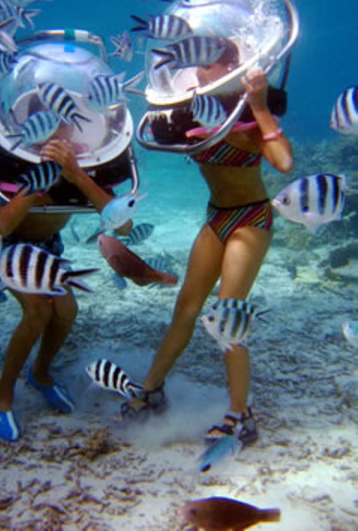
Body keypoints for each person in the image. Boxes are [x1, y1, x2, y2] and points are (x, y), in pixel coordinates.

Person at [120, 56, 294, 447]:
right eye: (197, 61)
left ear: (232, 66)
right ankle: (151, 390)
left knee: (227, 314)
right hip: (216, 217)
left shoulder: (247, 115)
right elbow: (144, 133)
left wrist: (261, 104)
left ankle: (241, 416)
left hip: (251, 218)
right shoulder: (191, 110)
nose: (199, 68)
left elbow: (283, 162)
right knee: (185, 308)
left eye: (211, 62)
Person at [0, 136, 132, 441]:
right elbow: (1, 227)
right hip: (4, 247)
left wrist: (76, 175)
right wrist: (42, 176)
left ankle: (40, 373)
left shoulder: (88, 164)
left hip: (47, 248)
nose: (63, 140)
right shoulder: (21, 161)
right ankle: (2, 395)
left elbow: (124, 226)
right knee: (37, 313)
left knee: (66, 311)